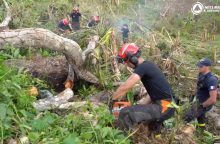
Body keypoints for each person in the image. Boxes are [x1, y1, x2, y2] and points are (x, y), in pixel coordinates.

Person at [112, 43, 176, 131]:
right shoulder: (148, 65)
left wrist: (113, 100)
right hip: (167, 105)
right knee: (149, 128)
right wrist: (140, 105)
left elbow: (126, 86)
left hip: (165, 106)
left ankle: (121, 139)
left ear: (132, 58)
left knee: (125, 113)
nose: (127, 65)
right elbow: (154, 93)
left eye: (126, 62)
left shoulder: (143, 67)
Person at [184, 58, 218, 128]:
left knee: (187, 117)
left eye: (201, 66)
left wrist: (202, 106)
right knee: (200, 117)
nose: (199, 67)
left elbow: (213, 99)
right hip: (198, 100)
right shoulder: (201, 74)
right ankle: (202, 129)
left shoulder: (212, 80)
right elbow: (198, 87)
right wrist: (193, 97)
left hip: (205, 103)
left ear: (207, 67)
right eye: (199, 65)